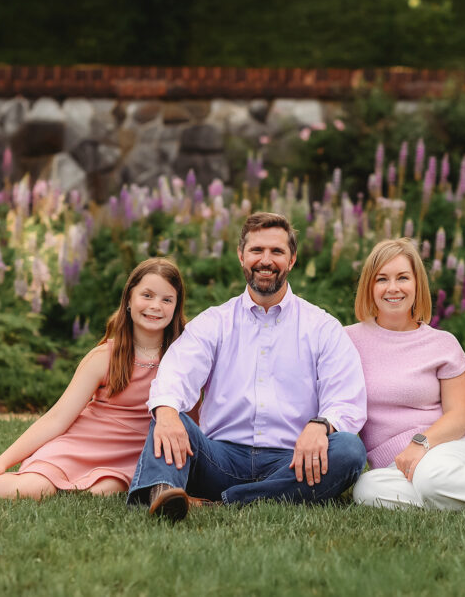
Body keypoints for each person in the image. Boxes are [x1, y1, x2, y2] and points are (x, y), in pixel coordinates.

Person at [128, 212, 367, 522]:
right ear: (242, 256)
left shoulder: (322, 327)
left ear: (291, 259)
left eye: (276, 252)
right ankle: (164, 493)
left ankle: (225, 503)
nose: (265, 260)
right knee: (169, 415)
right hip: (220, 460)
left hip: (294, 462)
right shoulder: (215, 322)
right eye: (257, 251)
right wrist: (168, 413)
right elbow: (176, 373)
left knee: (349, 449)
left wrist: (321, 425)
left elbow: (346, 397)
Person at [0, 258, 187, 500]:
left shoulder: (184, 358)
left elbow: (193, 420)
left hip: (127, 457)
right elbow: (57, 418)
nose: (155, 306)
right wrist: (2, 462)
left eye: (166, 299)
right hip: (82, 445)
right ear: (128, 300)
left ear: (176, 306)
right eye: (147, 295)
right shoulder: (105, 357)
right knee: (32, 490)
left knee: (99, 495)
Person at [347, 238, 465, 510]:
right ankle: (460, 493)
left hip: (449, 447)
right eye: (382, 279)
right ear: (369, 286)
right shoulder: (347, 340)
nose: (393, 288)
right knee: (366, 489)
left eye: (403, 278)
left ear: (417, 284)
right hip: (394, 466)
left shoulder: (442, 343)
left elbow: (459, 415)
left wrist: (420, 444)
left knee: (431, 476)